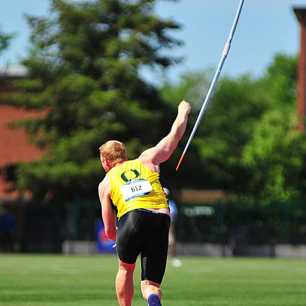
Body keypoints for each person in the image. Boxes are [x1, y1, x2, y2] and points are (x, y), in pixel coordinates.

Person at [98, 100, 191, 306]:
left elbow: (109, 231)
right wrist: (183, 112)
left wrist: (120, 238)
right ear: (124, 155)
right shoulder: (146, 159)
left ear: (105, 161)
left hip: (133, 217)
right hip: (161, 218)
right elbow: (173, 138)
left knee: (125, 268)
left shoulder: (105, 183)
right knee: (151, 285)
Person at [163, 187, 182, 268]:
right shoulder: (157, 203)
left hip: (168, 225)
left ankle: (172, 257)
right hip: (161, 225)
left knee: (170, 240)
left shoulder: (171, 204)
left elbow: (173, 216)